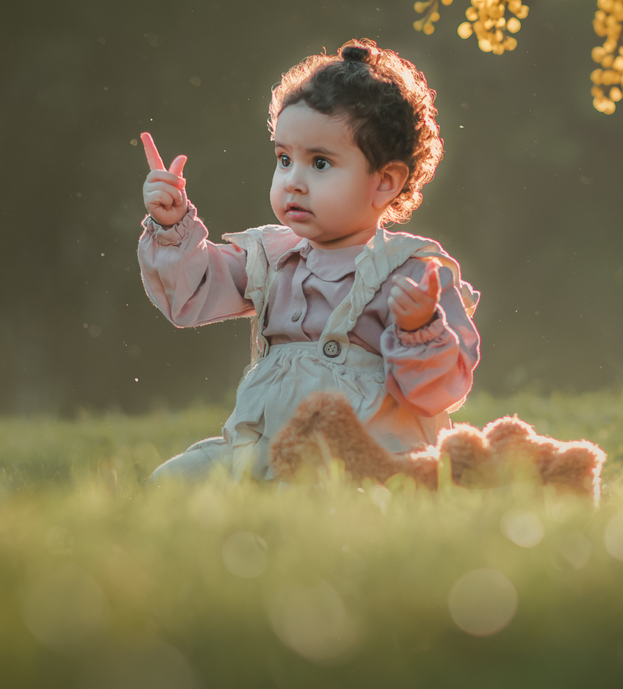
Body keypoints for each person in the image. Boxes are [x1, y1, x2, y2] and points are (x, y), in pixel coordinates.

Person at [139, 39, 480, 484]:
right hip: (261, 453)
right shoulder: (272, 258)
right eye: (284, 159)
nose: (293, 182)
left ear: (385, 182)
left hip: (364, 464)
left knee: (343, 501)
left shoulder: (412, 272)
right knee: (170, 485)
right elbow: (191, 295)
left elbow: (439, 392)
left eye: (320, 163)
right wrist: (172, 225)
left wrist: (419, 328)